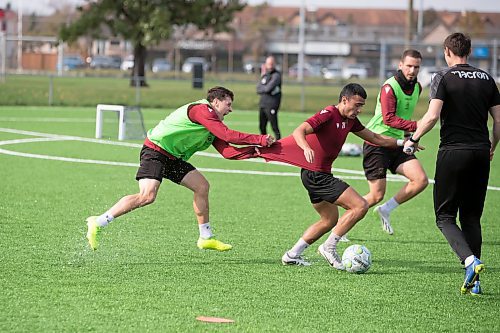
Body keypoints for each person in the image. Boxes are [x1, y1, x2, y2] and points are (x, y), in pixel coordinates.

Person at [86, 86, 275, 252]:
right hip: (155, 150)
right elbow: (228, 135)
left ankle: (205, 238)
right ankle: (99, 222)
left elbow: (229, 152)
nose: (230, 109)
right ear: (216, 102)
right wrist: (260, 139)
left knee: (202, 186)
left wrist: (257, 152)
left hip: (173, 158)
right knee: (147, 196)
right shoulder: (202, 110)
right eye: (228, 104)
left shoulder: (213, 125)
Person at [255, 83, 409, 269]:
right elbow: (299, 131)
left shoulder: (351, 120)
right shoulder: (329, 113)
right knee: (360, 206)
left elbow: (376, 138)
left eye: (362, 106)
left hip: (318, 175)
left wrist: (403, 142)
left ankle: (292, 255)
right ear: (345, 100)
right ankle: (329, 246)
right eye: (357, 105)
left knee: (329, 220)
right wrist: (305, 147)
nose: (359, 110)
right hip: (315, 174)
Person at [404, 33, 500, 295]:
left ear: (448, 51)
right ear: (469, 51)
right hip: (481, 152)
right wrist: (492, 145)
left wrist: (413, 139)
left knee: (444, 216)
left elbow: (432, 115)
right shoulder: (487, 79)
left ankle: (470, 262)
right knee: (471, 216)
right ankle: (476, 283)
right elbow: (499, 121)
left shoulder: (443, 76)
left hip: (454, 152)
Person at [362, 49, 429, 235]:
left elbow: (404, 117)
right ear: (400, 65)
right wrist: (417, 126)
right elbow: (389, 119)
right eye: (408, 66)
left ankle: (386, 210)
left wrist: (410, 137)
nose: (412, 70)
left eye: (416, 67)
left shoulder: (417, 87)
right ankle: (340, 226)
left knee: (421, 180)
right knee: (376, 195)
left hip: (399, 142)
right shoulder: (389, 87)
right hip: (378, 142)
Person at [257, 55, 282, 140]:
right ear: (266, 64)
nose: (270, 65)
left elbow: (268, 88)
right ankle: (264, 143)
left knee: (274, 127)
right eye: (268, 63)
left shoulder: (276, 75)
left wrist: (264, 88)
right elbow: (258, 88)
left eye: (271, 63)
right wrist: (264, 88)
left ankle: (280, 144)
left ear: (274, 64)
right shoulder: (264, 75)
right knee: (262, 126)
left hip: (272, 104)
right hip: (263, 104)